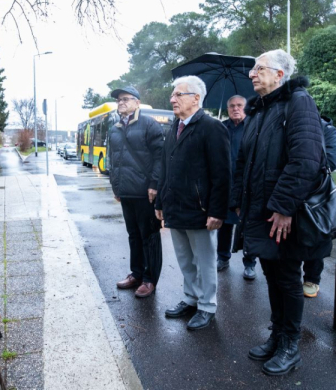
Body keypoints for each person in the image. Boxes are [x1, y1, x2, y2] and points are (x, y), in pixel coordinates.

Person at [230, 49, 329, 375]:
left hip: (284, 216)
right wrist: (237, 201)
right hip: (261, 212)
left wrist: (284, 207)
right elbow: (245, 161)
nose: (252, 74)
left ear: (280, 75)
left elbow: (306, 159)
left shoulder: (298, 102)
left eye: (259, 68)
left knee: (287, 279)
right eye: (253, 69)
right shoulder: (260, 111)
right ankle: (277, 336)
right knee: (272, 277)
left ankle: (290, 346)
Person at [155, 75, 230, 331]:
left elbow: (222, 174)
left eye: (178, 94)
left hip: (201, 210)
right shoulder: (174, 127)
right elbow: (166, 168)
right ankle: (191, 298)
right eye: (173, 94)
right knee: (185, 260)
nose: (172, 99)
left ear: (196, 98)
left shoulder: (212, 127)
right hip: (176, 207)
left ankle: (207, 306)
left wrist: (217, 210)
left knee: (205, 262)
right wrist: (160, 203)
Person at [109, 86, 165, 298]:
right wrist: (116, 186)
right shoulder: (114, 128)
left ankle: (150, 279)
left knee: (149, 236)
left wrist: (154, 184)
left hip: (145, 192)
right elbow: (113, 159)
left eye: (125, 99)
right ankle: (137, 273)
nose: (121, 102)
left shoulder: (149, 124)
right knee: (133, 235)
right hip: (126, 192)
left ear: (137, 102)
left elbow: (160, 157)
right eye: (118, 100)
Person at [217, 96, 257, 280]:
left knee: (247, 226)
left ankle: (250, 263)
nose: (235, 109)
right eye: (231, 106)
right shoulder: (221, 127)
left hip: (246, 184)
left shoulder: (253, 126)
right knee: (223, 224)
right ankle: (223, 257)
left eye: (239, 105)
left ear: (246, 107)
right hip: (225, 184)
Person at [302, 114, 336, 298]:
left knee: (318, 235)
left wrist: (303, 164)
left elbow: (330, 162)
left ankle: (312, 279)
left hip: (317, 192)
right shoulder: (294, 125)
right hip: (295, 189)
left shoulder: (327, 130)